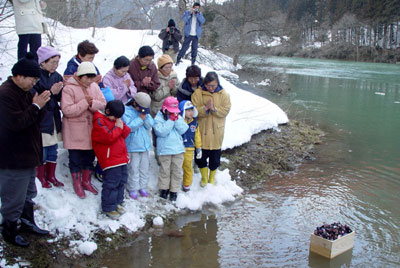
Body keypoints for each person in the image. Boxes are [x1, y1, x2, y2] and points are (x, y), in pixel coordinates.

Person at [0, 52, 51, 247]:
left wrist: (40, 106)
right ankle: (10, 230)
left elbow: (34, 119)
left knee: (28, 192)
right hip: (13, 157)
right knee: (14, 195)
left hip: (28, 155)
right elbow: (15, 123)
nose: (34, 83)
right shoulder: (5, 94)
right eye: (32, 78)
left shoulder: (25, 92)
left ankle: (27, 222)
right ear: (19, 76)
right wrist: (35, 107)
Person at [61, 62, 106, 199]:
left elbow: (103, 103)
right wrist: (84, 102)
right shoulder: (69, 88)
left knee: (89, 158)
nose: (89, 81)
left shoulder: (94, 86)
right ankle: (77, 184)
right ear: (80, 76)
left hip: (91, 129)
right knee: (75, 159)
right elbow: (67, 110)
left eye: (92, 78)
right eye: (87, 78)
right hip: (74, 130)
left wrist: (92, 103)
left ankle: (86, 181)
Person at [91, 100, 130, 220]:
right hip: (110, 159)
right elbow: (108, 137)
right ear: (107, 111)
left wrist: (121, 125)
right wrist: (117, 128)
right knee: (111, 183)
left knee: (121, 181)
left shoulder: (115, 120)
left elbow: (125, 132)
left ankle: (117, 202)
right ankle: (108, 206)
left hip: (121, 157)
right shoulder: (99, 120)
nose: (115, 119)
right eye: (115, 116)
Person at [191, 72, 231, 186]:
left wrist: (214, 109)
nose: (211, 88)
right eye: (208, 86)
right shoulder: (198, 93)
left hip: (217, 130)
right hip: (202, 129)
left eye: (213, 86)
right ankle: (204, 177)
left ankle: (212, 177)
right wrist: (205, 108)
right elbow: (193, 110)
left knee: (215, 157)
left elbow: (225, 110)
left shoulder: (224, 94)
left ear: (217, 83)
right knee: (201, 156)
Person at [33, 46, 64, 188]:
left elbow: (59, 97)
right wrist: (51, 91)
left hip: (54, 117)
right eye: (52, 62)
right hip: (42, 117)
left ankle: (51, 175)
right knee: (43, 147)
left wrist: (60, 91)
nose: (55, 65)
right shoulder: (36, 76)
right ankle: (41, 176)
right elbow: (37, 97)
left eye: (57, 62)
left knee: (53, 148)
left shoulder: (57, 76)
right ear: (43, 62)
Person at [153, 97, 188, 201]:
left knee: (177, 171)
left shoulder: (178, 117)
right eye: (170, 111)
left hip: (178, 149)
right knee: (165, 170)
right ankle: (164, 189)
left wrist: (176, 120)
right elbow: (161, 132)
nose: (172, 113)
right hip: (165, 149)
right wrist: (170, 121)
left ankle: (174, 190)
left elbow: (183, 129)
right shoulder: (158, 118)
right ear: (164, 109)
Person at [122, 93, 154, 200]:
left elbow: (150, 125)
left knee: (144, 168)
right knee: (133, 168)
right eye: (140, 108)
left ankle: (143, 186)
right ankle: (133, 188)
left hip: (144, 145)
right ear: (134, 103)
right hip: (132, 146)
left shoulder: (144, 111)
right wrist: (140, 119)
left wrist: (145, 118)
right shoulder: (125, 111)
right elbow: (128, 127)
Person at [179, 100, 202, 192]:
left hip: (189, 148)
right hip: (178, 148)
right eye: (188, 110)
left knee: (188, 167)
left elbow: (197, 136)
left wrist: (199, 148)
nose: (191, 112)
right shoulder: (179, 121)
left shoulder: (194, 123)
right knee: (177, 167)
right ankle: (174, 185)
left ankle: (187, 184)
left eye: (192, 110)